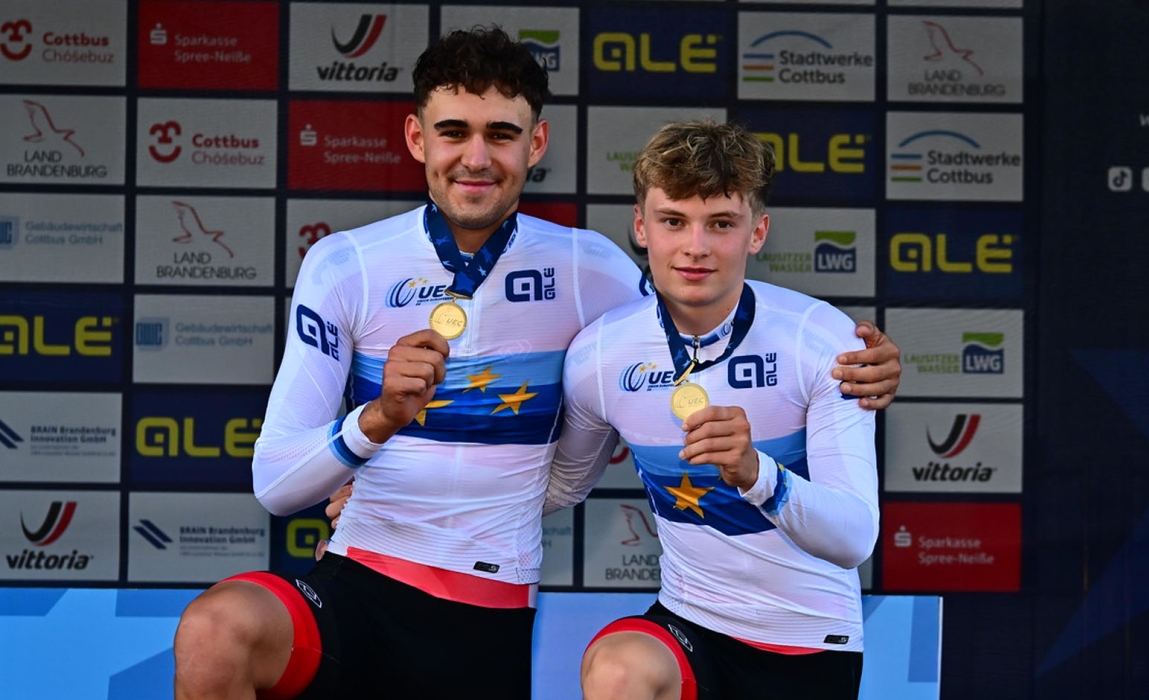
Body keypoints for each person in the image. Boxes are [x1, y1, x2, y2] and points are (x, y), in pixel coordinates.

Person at [172, 27, 899, 700]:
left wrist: (868, 364)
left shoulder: (594, 274)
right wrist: (374, 424)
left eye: (502, 134)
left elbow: (703, 307)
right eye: (454, 132)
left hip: (486, 606)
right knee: (214, 631)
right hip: (357, 575)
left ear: (536, 142)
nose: (477, 158)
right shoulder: (345, 265)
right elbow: (274, 481)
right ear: (416, 137)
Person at [545, 120, 880, 700]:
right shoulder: (600, 353)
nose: (695, 247)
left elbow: (855, 536)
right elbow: (554, 486)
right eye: (673, 221)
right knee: (618, 671)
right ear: (641, 227)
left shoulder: (818, 338)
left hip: (808, 642)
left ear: (758, 232)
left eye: (721, 224)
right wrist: (382, 496)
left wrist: (759, 474)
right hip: (688, 624)